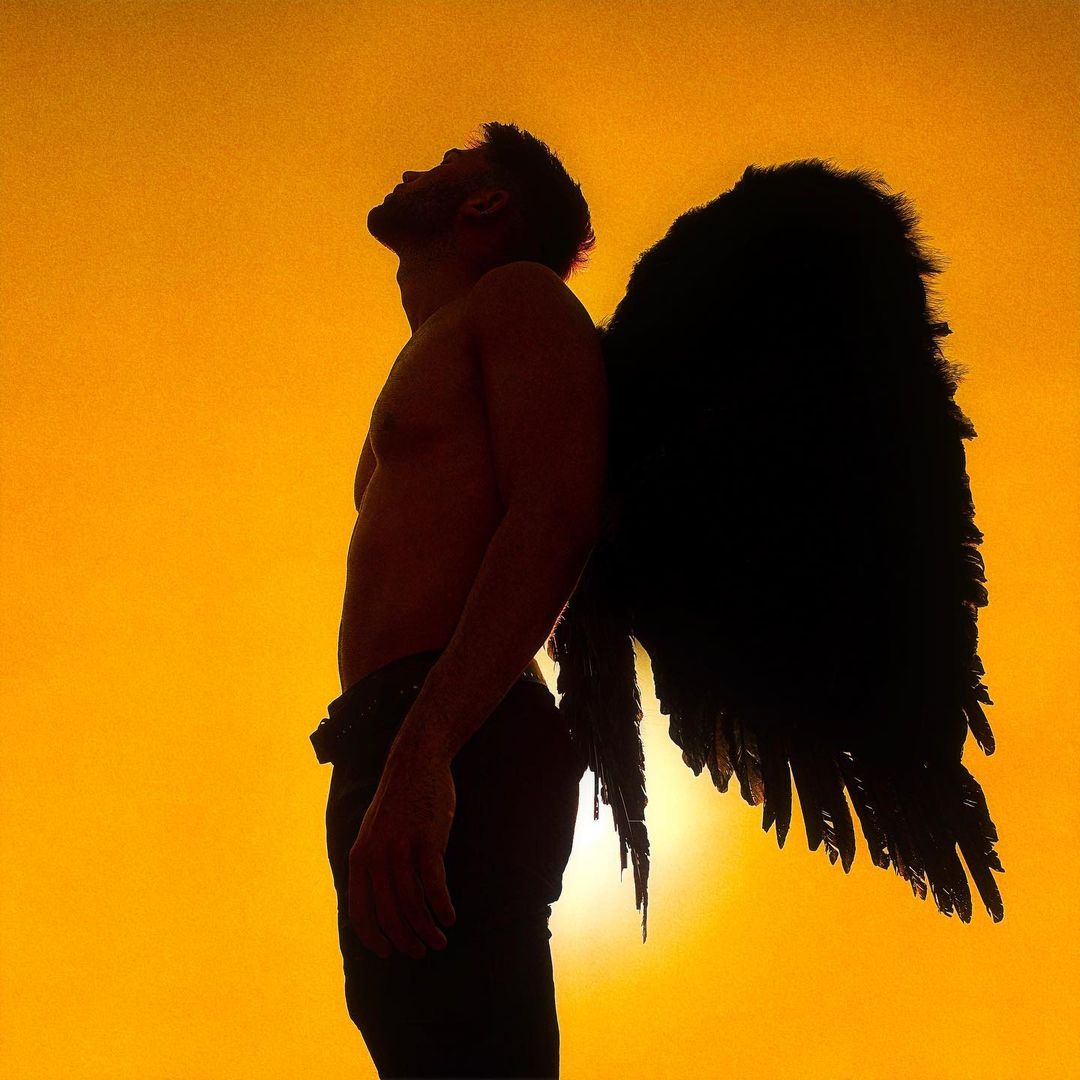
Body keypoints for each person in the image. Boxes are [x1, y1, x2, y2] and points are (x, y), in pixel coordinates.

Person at [309, 121, 605, 1078]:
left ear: (485, 204)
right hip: (389, 732)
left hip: (456, 728)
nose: (412, 164)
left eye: (446, 162)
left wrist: (426, 752)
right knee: (415, 1037)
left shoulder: (517, 298)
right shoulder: (439, 346)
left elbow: (553, 516)